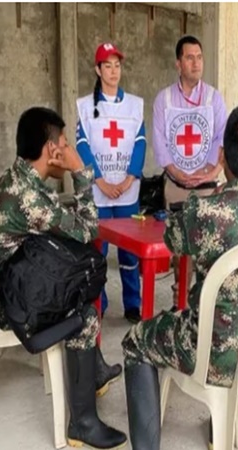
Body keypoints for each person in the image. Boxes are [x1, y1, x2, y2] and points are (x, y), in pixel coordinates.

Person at [121, 104, 238, 449]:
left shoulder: (204, 211)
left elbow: (172, 240)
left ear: (222, 156)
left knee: (135, 341)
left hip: (213, 354)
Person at [0, 107, 127, 449]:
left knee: (79, 272)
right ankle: (83, 425)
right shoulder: (29, 199)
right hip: (4, 302)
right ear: (50, 150)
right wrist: (81, 171)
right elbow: (88, 231)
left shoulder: (15, 178)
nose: (69, 148)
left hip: (1, 278)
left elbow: (58, 228)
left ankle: (94, 370)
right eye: (65, 143)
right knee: (84, 312)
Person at [152, 35, 228, 311]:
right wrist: (178, 173)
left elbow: (222, 139)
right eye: (189, 57)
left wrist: (211, 171)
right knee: (179, 250)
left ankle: (205, 308)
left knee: (206, 249)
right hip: (176, 186)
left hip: (207, 187)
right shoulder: (164, 99)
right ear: (178, 63)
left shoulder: (213, 98)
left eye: (199, 57)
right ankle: (180, 305)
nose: (196, 63)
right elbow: (160, 142)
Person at [76, 42, 146, 323]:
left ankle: (132, 304)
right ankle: (98, 303)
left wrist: (130, 178)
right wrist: (101, 182)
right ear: (98, 70)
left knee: (130, 254)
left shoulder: (135, 105)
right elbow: (82, 146)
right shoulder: (85, 106)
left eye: (117, 65)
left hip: (128, 192)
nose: (114, 71)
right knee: (98, 251)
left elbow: (140, 143)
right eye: (108, 66)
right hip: (99, 191)